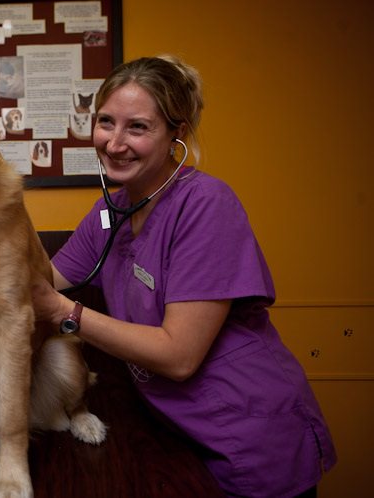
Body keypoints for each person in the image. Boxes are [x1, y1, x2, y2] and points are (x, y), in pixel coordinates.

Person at [31, 55, 336, 498]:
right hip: (175, 434)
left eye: (137, 127)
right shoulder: (109, 213)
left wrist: (65, 312)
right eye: (105, 121)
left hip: (249, 435)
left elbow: (179, 356)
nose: (114, 143)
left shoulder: (207, 205)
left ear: (177, 132)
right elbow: (42, 279)